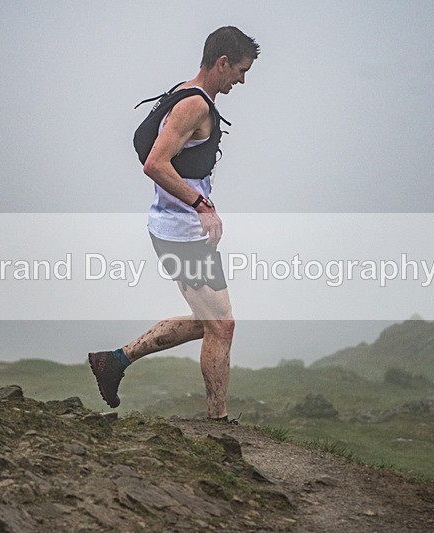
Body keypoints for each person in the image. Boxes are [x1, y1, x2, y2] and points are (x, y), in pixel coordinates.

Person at [88, 26, 259, 422]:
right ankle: (218, 422)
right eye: (241, 71)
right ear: (222, 62)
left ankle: (114, 361)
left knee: (209, 323)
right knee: (222, 327)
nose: (242, 81)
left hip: (176, 230)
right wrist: (202, 205)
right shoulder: (194, 104)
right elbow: (155, 164)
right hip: (181, 233)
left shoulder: (187, 93)